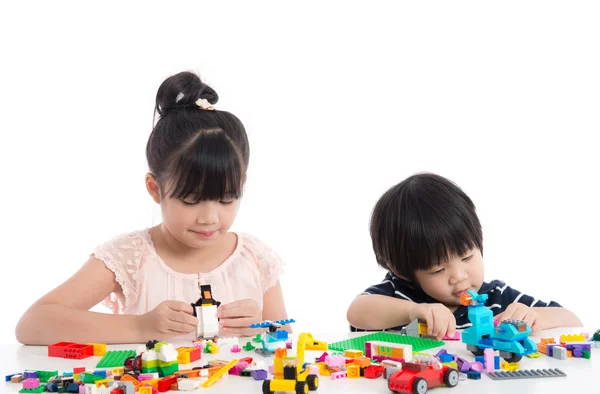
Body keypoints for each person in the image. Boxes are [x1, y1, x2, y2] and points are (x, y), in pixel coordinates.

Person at [16, 71, 290, 344]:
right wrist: (140, 327)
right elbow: (33, 324)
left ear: (242, 185)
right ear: (155, 189)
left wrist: (262, 328)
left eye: (226, 198)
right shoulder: (132, 257)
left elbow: (285, 338)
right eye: (191, 200)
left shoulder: (254, 258)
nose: (209, 218)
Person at [346, 172, 582, 339]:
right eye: (438, 270)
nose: (459, 276)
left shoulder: (495, 297)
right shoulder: (400, 295)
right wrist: (413, 311)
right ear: (403, 271)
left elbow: (571, 320)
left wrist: (533, 316)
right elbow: (357, 312)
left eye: (467, 257)